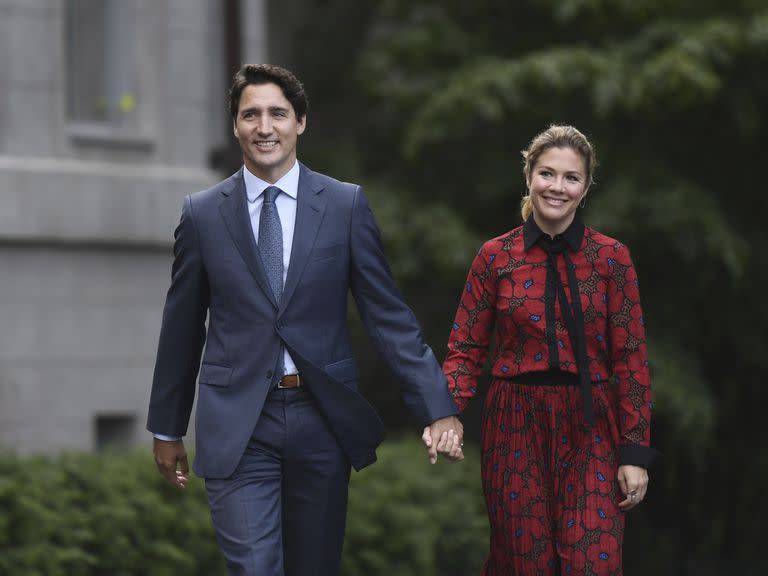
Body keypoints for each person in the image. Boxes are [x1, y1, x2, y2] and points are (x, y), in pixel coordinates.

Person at [147, 63, 463, 576]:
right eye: (251, 114)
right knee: (255, 568)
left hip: (321, 418)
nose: (264, 126)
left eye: (278, 113)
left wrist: (437, 405)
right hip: (238, 423)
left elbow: (388, 317)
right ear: (235, 125)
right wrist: (167, 426)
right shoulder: (203, 214)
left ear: (301, 122)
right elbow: (181, 327)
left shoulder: (344, 205)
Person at [434, 125, 656, 575]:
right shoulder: (495, 256)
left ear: (585, 187)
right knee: (525, 564)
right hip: (515, 423)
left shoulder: (612, 259)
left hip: (591, 425)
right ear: (529, 177)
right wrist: (446, 411)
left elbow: (631, 361)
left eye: (571, 177)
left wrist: (635, 453)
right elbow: (465, 347)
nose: (557, 187)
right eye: (547, 174)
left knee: (593, 562)